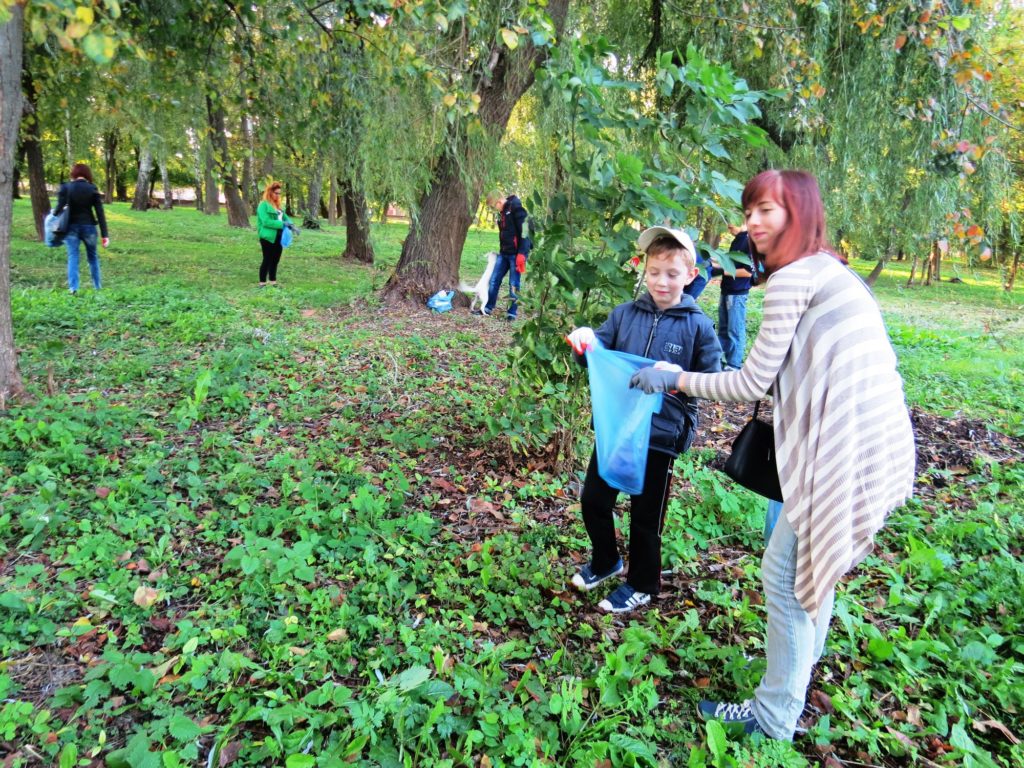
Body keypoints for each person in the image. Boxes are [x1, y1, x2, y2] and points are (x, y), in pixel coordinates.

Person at [629, 170, 915, 739]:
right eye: (750, 211)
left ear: (799, 212)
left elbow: (751, 382)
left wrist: (672, 378)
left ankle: (775, 715)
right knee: (813, 571)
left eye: (767, 210)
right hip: (872, 440)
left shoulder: (794, 279)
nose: (752, 223)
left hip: (838, 446)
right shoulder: (831, 271)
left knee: (783, 573)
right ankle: (797, 680)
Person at [566, 227, 722, 613]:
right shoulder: (624, 315)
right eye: (654, 272)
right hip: (618, 427)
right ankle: (606, 561)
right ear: (644, 271)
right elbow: (598, 355)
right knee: (594, 500)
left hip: (660, 435)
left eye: (671, 273)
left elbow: (714, 381)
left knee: (645, 516)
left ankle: (642, 583)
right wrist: (585, 345)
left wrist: (675, 380)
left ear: (690, 275)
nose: (661, 282)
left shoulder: (697, 326)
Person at [55, 163, 109, 295]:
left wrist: (53, 215)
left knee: (73, 256)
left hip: (71, 227)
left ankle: (73, 288)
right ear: (87, 174)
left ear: (73, 174)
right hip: (89, 227)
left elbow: (58, 208)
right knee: (93, 257)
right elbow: (100, 212)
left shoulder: (66, 187)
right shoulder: (92, 188)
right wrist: (104, 235)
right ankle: (97, 287)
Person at [476, 192, 531, 320]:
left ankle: (512, 313)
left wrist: (522, 253)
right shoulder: (502, 213)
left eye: (495, 206)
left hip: (516, 255)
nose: (495, 209)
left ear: (499, 202)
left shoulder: (517, 209)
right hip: (504, 253)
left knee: (514, 284)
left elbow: (526, 231)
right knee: (494, 280)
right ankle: (488, 308)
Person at [717, 224, 755, 370]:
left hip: (737, 294)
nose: (728, 226)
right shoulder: (738, 239)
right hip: (726, 290)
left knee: (735, 331)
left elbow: (748, 271)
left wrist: (722, 270)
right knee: (723, 329)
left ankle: (733, 365)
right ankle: (720, 361)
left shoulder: (750, 241)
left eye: (731, 222)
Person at [256, 181, 293, 287]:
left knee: (275, 260)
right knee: (267, 259)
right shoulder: (263, 205)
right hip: (268, 237)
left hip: (279, 236)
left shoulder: (279, 206)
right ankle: (262, 283)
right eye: (276, 193)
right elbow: (266, 222)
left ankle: (273, 282)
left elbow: (286, 218)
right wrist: (282, 224)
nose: (278, 195)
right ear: (269, 192)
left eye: (279, 193)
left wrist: (291, 225)